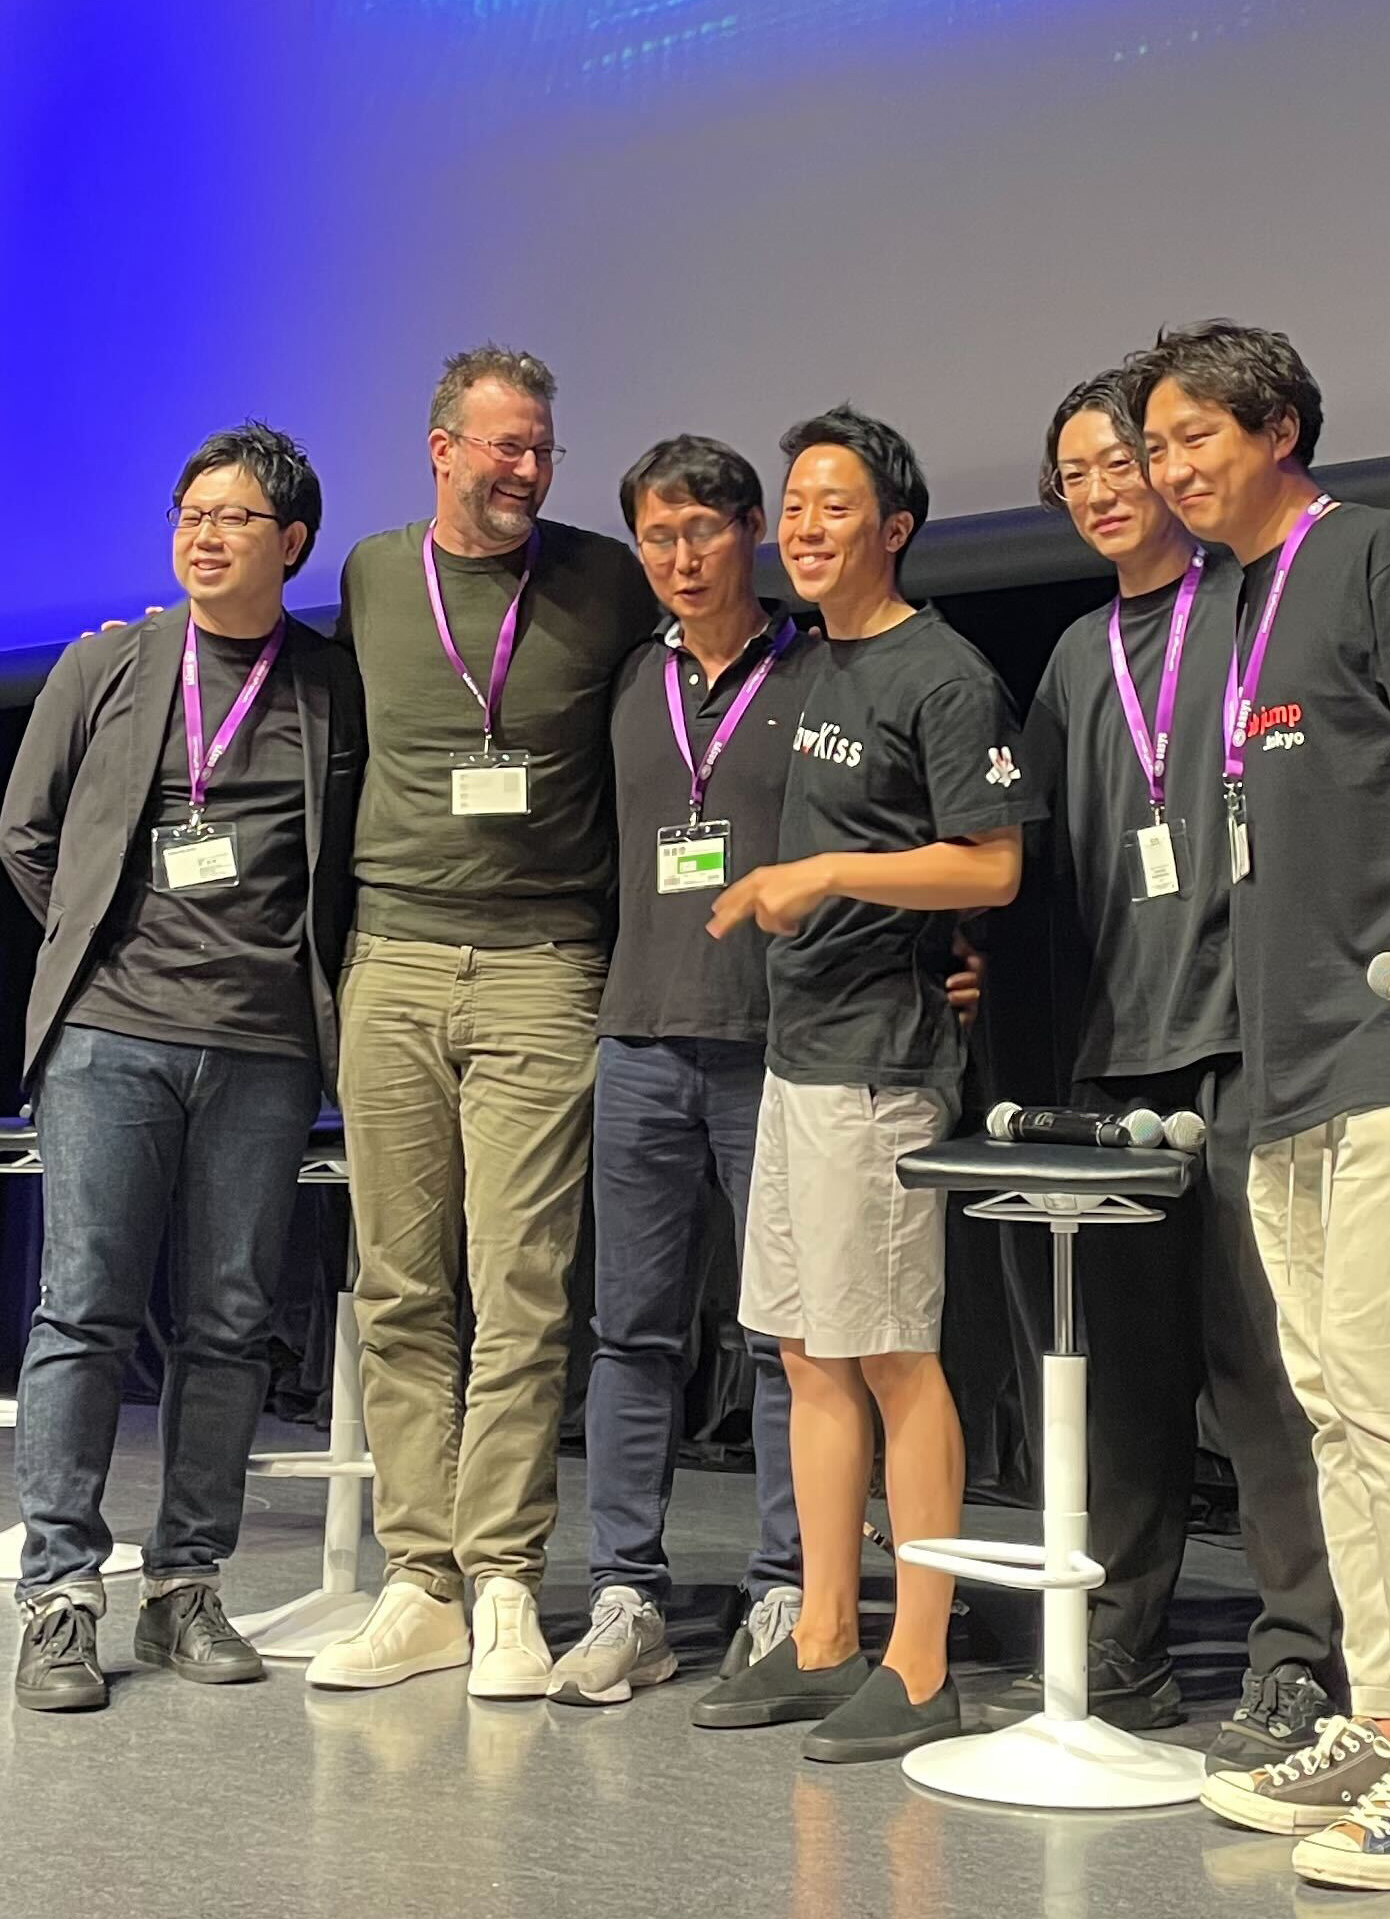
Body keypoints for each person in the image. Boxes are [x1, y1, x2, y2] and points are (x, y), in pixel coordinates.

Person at [1140, 321, 1390, 1888]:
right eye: (1155, 446)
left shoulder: (1386, 553)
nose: (1171, 469)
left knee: (1389, 1392)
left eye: (1196, 436)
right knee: (1329, 1405)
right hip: (1285, 1062)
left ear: (1280, 429)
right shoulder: (1229, 605)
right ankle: (1385, 1719)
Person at [993, 363, 1340, 1768]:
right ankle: (1121, 1646)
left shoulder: (1257, 607)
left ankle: (1299, 1655)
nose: (1098, 490)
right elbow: (1017, 848)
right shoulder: (1077, 657)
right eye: (1071, 473)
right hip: (1117, 1059)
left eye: (1120, 461)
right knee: (1124, 1380)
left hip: (1252, 1044)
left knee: (1264, 1374)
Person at [688, 407, 1043, 1762]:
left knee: (893, 1353)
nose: (803, 525)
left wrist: (829, 872)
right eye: (793, 503)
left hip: (882, 1063)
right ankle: (825, 1634)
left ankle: (920, 1657)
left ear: (894, 527)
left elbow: (991, 865)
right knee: (804, 1347)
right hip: (799, 1051)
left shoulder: (941, 672)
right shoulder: (813, 659)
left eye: (833, 504)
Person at [0, 422, 362, 1712]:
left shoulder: (331, 685)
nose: (203, 536)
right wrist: (102, 950)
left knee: (229, 1322)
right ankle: (58, 1594)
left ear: (292, 542)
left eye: (233, 517)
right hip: (112, 1037)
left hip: (264, 1046)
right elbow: (26, 835)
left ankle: (185, 1584)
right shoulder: (107, 663)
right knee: (83, 1308)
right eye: (189, 514)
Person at [309, 347, 659, 1696]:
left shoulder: (604, 579)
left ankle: (505, 1574)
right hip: (391, 957)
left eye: (542, 449)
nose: (525, 470)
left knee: (520, 1283)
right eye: (503, 445)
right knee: (399, 1285)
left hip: (542, 965)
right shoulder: (370, 574)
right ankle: (422, 1581)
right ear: (441, 447)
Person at [548, 435, 818, 1709]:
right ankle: (629, 1595)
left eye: (702, 529)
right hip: (641, 1039)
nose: (679, 556)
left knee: (784, 1334)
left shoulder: (818, 668)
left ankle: (787, 1586)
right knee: (631, 1333)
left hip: (777, 1045)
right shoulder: (624, 677)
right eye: (656, 536)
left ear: (750, 529)